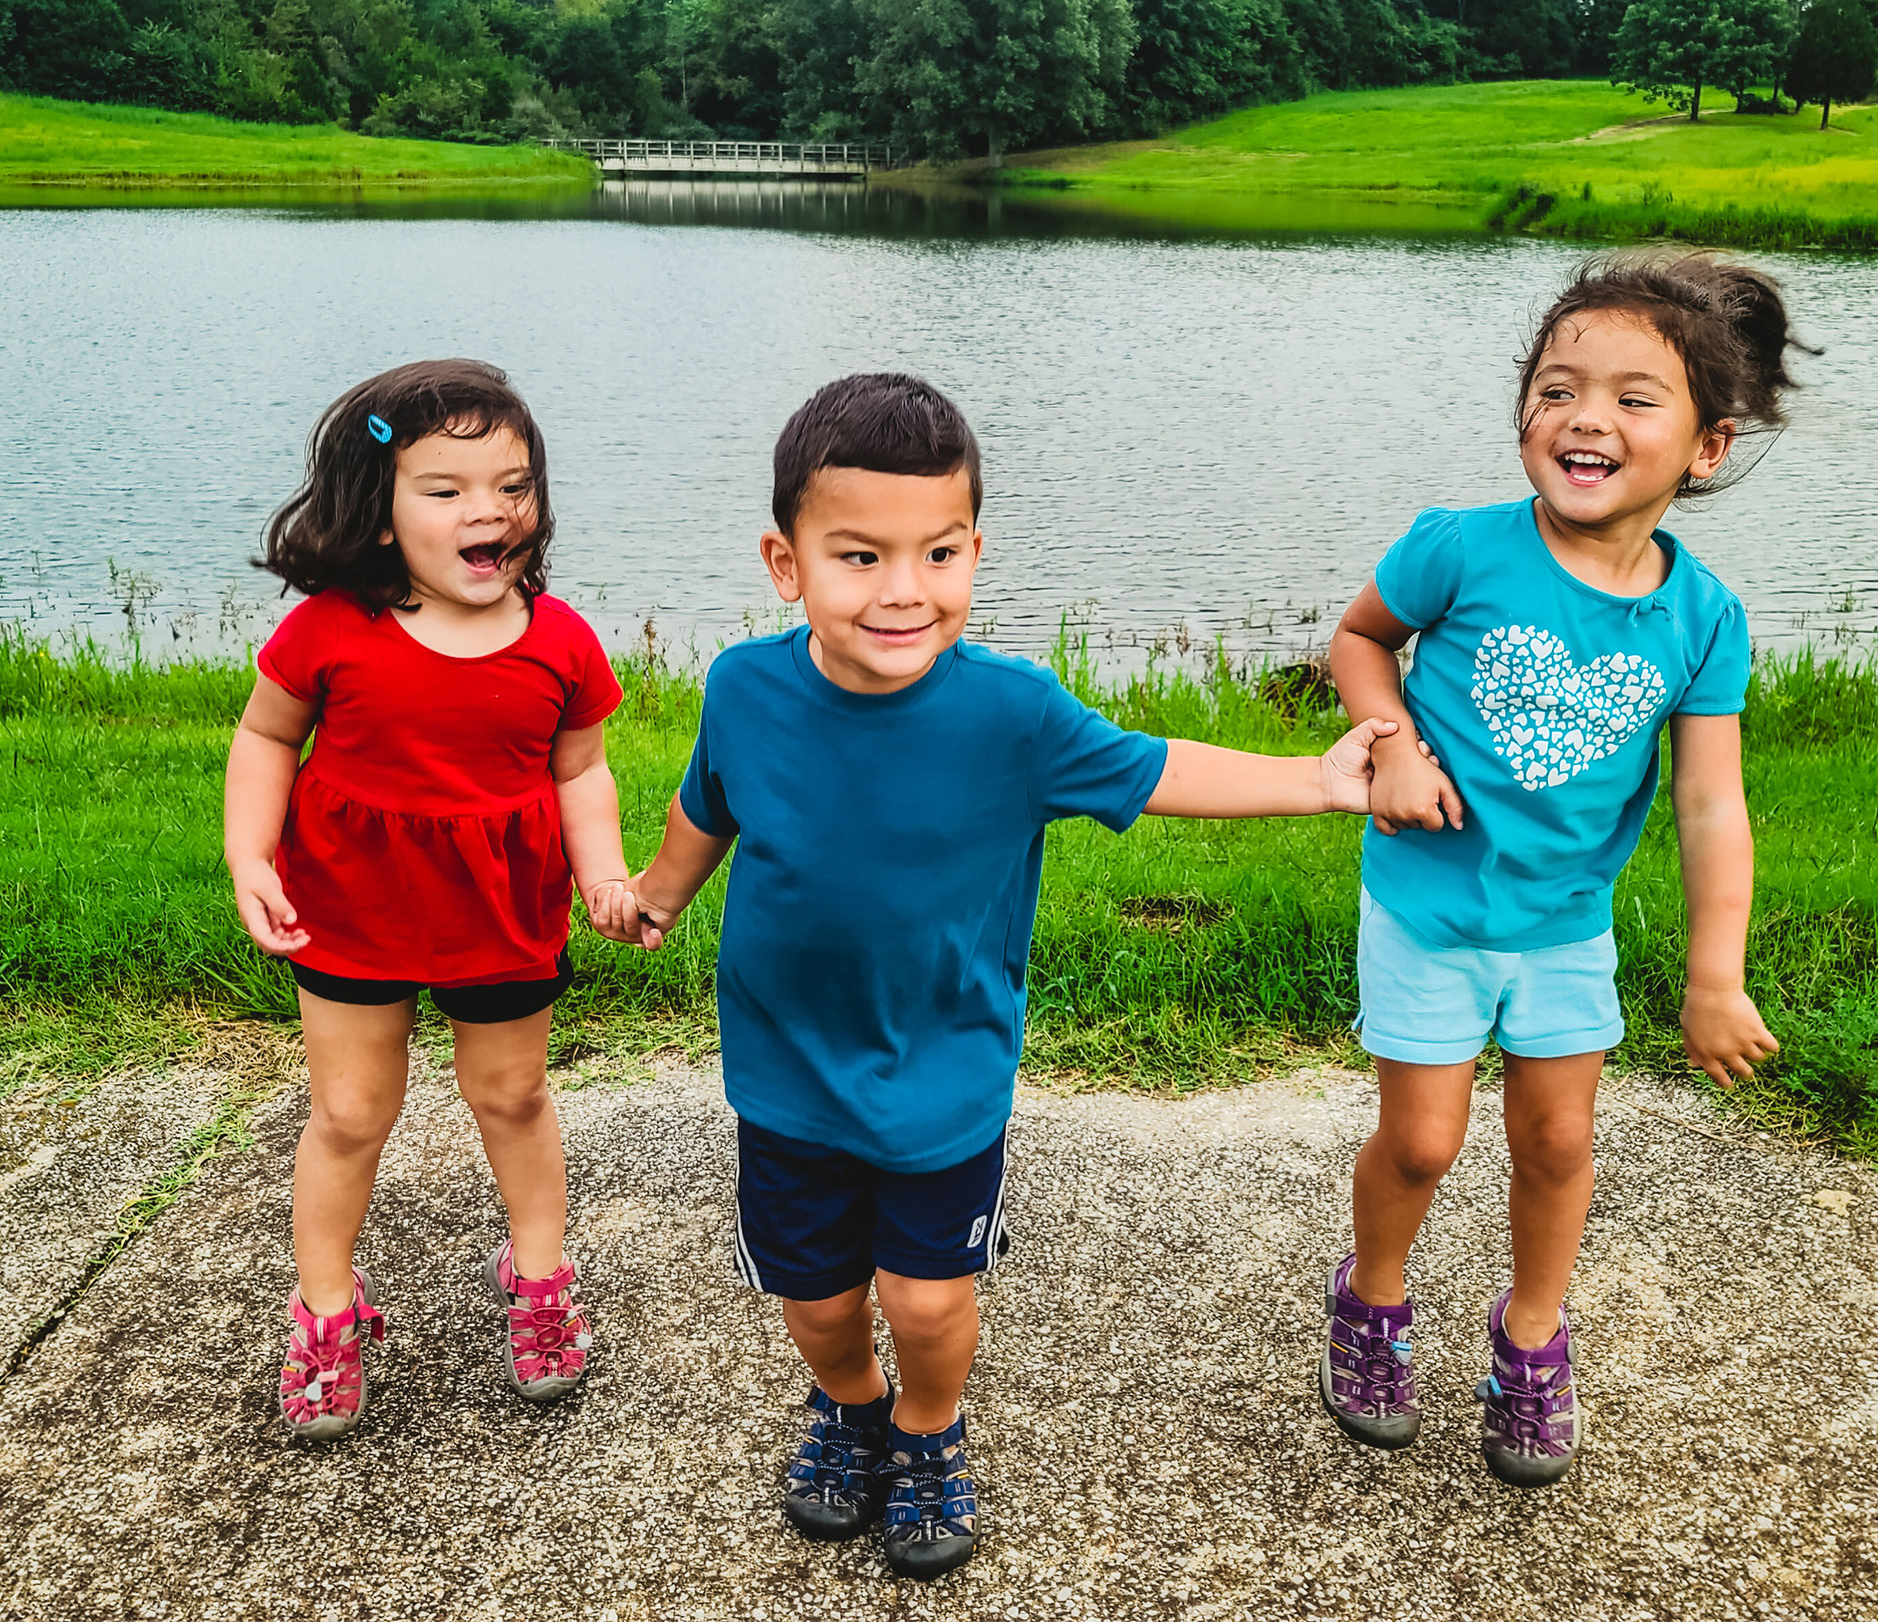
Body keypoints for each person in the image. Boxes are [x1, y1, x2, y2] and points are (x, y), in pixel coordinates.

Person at [591, 373, 1395, 1581]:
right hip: (785, 1069)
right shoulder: (745, 691)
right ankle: (853, 1410)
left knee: (926, 1302)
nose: (904, 590)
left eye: (939, 552)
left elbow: (1157, 765)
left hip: (945, 1072)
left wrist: (1316, 780)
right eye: (859, 555)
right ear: (785, 561)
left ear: (976, 549)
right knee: (815, 1301)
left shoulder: (1013, 715)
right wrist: (657, 893)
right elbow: (706, 807)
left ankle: (926, 1428)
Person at [1323, 253, 1802, 1486]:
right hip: (1427, 903)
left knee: (1558, 1143)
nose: (1586, 417)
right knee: (1421, 1143)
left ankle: (1531, 1335)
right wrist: (1394, 746)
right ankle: (1372, 1301)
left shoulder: (1705, 620)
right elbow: (1363, 639)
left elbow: (1710, 802)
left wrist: (1716, 973)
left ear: (1707, 447)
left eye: (1635, 399)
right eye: (1557, 388)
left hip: (1565, 923)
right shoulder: (1462, 550)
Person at [224, 360, 627, 1439]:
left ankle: (538, 1278)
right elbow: (268, 736)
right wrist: (249, 855)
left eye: (512, 484)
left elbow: (579, 770)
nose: (487, 510)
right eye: (445, 489)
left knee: (512, 1098)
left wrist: (602, 873)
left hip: (502, 911)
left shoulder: (563, 642)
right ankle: (326, 1310)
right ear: (380, 509)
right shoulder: (329, 628)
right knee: (351, 1112)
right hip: (350, 904)